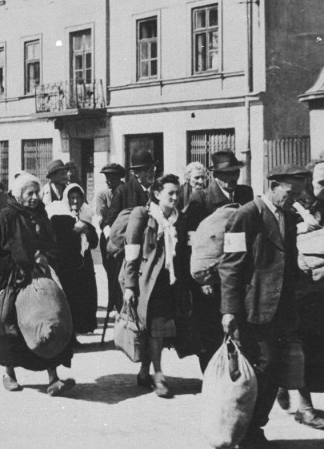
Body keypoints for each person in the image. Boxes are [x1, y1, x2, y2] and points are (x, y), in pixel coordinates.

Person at [218, 164, 310, 446]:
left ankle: (256, 426)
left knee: (276, 368)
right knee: (262, 367)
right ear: (274, 186)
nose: (294, 199)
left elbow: (289, 259)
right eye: (290, 193)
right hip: (254, 308)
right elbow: (230, 266)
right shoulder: (246, 215)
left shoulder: (288, 216)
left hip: (282, 308)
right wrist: (229, 310)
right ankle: (247, 431)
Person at [0, 172, 75, 395]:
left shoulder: (41, 216)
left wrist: (46, 256)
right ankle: (9, 374)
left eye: (36, 193)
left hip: (39, 278)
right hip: (12, 281)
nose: (34, 197)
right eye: (29, 193)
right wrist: (13, 267)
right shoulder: (5, 218)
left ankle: (53, 378)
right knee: (11, 328)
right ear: (18, 194)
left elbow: (52, 245)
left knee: (48, 321)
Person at [121, 174, 191, 398]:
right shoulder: (143, 215)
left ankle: (144, 372)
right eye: (170, 193)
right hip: (147, 284)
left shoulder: (179, 219)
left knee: (157, 331)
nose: (175, 197)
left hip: (170, 283)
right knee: (155, 330)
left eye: (177, 193)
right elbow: (131, 253)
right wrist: (129, 286)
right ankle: (158, 375)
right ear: (157, 194)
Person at [184, 149, 254, 372]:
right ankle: (212, 376)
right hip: (211, 277)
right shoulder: (201, 199)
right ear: (214, 176)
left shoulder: (245, 194)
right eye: (226, 174)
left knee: (239, 323)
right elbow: (192, 241)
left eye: (234, 172)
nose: (232, 178)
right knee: (211, 329)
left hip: (239, 270)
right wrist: (202, 279)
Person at [275, 161, 324, 430]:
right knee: (302, 345)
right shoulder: (294, 210)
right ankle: (304, 406)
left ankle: (288, 386)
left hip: (321, 290)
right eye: (320, 182)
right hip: (301, 290)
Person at [47, 183, 98, 339]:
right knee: (68, 299)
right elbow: (60, 240)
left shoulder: (86, 215)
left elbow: (94, 242)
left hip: (83, 267)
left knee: (82, 300)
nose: (75, 201)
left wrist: (86, 229)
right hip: (67, 266)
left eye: (78, 198)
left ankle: (76, 331)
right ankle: (68, 336)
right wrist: (75, 230)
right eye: (72, 198)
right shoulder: (58, 216)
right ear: (66, 199)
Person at [95, 163, 125, 312]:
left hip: (123, 236)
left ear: (119, 177)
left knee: (122, 270)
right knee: (110, 269)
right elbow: (102, 217)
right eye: (106, 177)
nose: (108, 180)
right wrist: (109, 237)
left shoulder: (126, 191)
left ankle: (121, 301)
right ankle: (111, 300)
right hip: (107, 236)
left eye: (111, 177)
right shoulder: (103, 195)